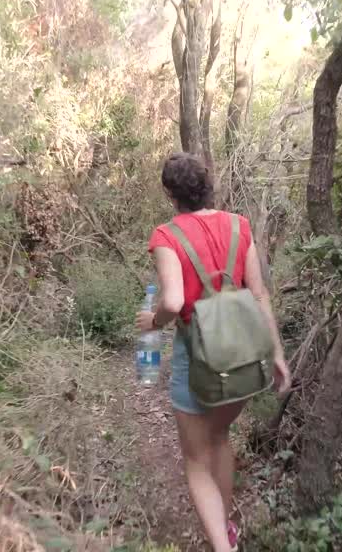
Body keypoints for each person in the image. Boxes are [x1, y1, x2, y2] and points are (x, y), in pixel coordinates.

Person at [137, 152, 291, 552]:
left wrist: (151, 323)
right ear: (207, 184)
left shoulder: (167, 236)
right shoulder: (240, 227)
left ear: (172, 194)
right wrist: (276, 353)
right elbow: (259, 294)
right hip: (243, 355)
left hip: (197, 357)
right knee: (220, 437)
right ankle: (226, 528)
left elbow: (172, 302)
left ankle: (223, 546)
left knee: (195, 460)